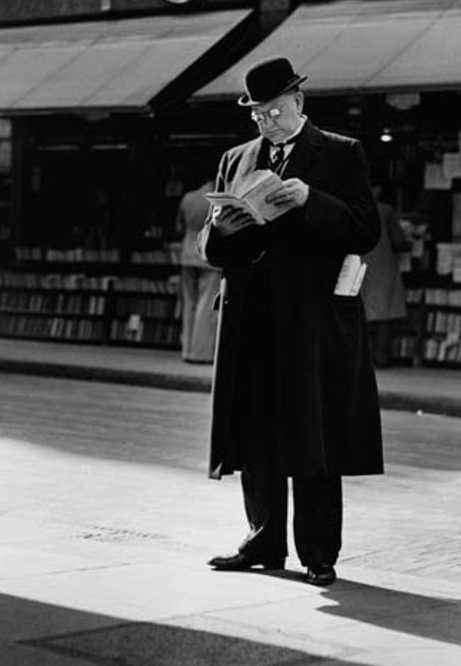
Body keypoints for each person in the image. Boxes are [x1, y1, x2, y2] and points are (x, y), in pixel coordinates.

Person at [198, 56, 383, 587]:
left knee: (314, 432)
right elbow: (211, 248)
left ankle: (318, 552)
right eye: (258, 115)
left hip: (312, 317)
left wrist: (311, 199)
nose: (268, 123)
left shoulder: (342, 153)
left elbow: (365, 229)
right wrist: (220, 227)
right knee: (255, 427)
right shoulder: (236, 159)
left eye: (275, 111)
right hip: (252, 315)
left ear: (299, 103)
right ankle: (263, 540)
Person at [175, 177, 221, 363]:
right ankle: (200, 352)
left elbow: (179, 226)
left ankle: (186, 349)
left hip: (187, 253)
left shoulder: (188, 198)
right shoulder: (216, 199)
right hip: (208, 255)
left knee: (189, 302)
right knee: (205, 305)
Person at [362, 193, 410, 367]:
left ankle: (362, 361)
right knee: (384, 316)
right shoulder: (385, 210)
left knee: (362, 316)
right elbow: (398, 241)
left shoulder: (352, 206)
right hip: (382, 266)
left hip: (358, 265)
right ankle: (382, 359)